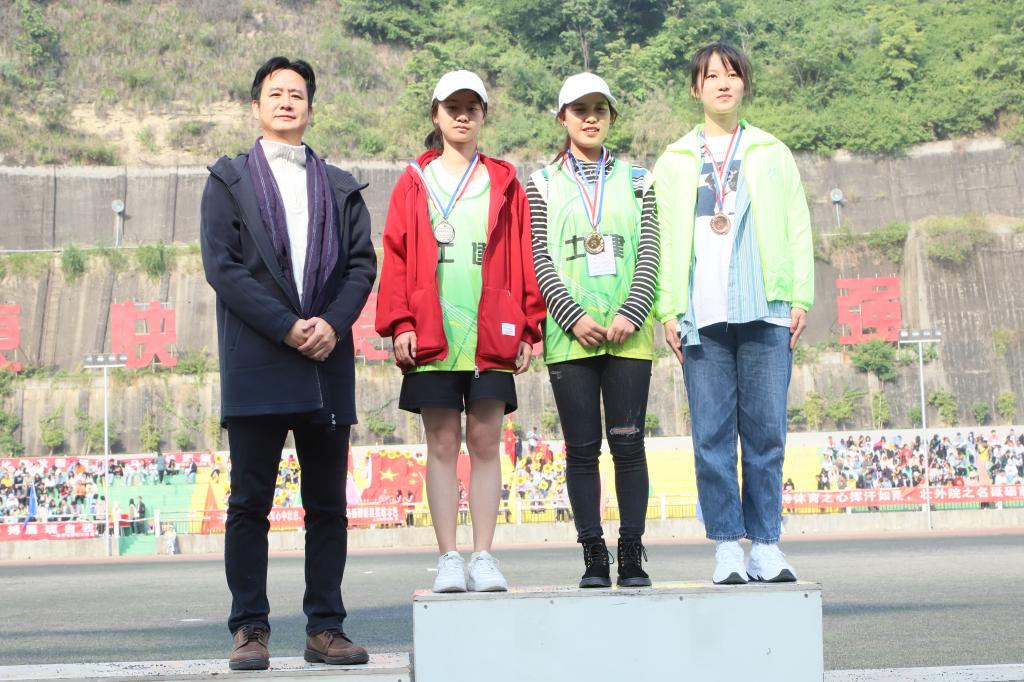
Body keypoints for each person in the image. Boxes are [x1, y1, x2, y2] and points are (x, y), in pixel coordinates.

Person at [200, 56, 376, 670]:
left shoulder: (340, 186)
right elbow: (223, 268)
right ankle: (249, 627)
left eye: (296, 94)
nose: (285, 102)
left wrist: (331, 324)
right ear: (256, 106)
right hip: (258, 360)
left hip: (326, 359)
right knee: (249, 503)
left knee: (327, 505)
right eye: (274, 93)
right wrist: (286, 325)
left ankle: (325, 627)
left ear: (310, 108)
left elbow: (361, 266)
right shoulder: (227, 181)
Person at [375, 70, 543, 593]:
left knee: (487, 441)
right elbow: (396, 255)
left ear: (484, 115)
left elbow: (522, 254)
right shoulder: (414, 181)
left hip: (492, 330)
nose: (463, 115)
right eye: (453, 107)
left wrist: (529, 324)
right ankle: (449, 556)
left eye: (472, 107)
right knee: (443, 442)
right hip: (433, 331)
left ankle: (484, 556)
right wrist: (401, 322)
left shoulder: (504, 181)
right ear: (436, 114)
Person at [654, 42, 814, 585]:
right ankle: (726, 543)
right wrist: (668, 308)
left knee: (767, 433)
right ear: (695, 89)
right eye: (711, 76)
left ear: (744, 83)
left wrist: (801, 296)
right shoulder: (675, 160)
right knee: (711, 437)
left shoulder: (771, 151)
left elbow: (797, 224)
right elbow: (662, 239)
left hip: (766, 306)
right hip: (701, 313)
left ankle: (766, 544)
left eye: (732, 74)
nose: (723, 84)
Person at [526, 73, 658, 588]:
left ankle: (631, 553)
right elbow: (539, 258)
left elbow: (651, 251)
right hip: (569, 337)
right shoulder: (540, 183)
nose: (590, 118)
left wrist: (633, 310)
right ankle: (593, 555)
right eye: (579, 110)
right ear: (563, 117)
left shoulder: (639, 180)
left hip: (630, 334)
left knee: (629, 446)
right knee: (581, 450)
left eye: (599, 109)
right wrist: (572, 316)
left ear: (611, 117)